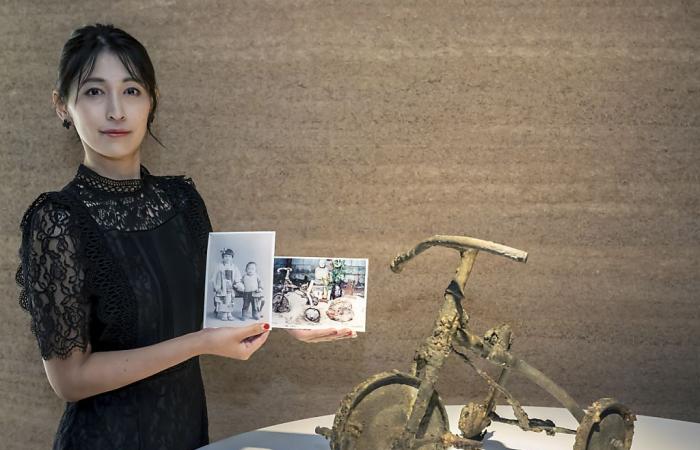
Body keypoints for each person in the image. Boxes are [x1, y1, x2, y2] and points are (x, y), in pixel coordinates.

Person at [15, 23, 356, 450]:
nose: (116, 111)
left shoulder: (182, 200)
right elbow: (71, 379)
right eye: (94, 92)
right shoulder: (57, 220)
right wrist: (201, 343)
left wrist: (291, 319)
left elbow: (222, 299)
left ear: (152, 101)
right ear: (63, 106)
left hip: (188, 434)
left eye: (132, 90)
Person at [211, 248, 244, 321]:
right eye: (225, 256)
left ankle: (229, 313)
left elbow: (237, 277)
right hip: (222, 286)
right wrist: (216, 287)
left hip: (230, 286)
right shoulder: (219, 266)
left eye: (229, 256)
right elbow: (214, 278)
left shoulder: (234, 267)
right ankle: (224, 314)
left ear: (232, 257)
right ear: (223, 257)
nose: (227, 258)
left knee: (229, 300)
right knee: (223, 300)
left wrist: (237, 284)